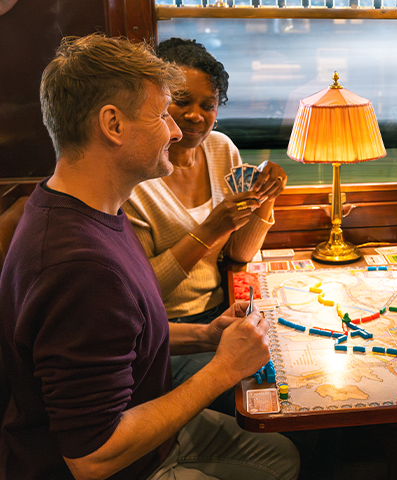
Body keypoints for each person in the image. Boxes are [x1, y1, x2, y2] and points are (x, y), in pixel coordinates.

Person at [0, 33, 298, 480]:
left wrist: (208, 336)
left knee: (281, 456)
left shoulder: (93, 209)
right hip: (125, 466)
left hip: (156, 439)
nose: (179, 129)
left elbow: (126, 334)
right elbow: (92, 457)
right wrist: (223, 370)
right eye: (162, 114)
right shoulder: (80, 269)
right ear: (113, 125)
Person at [123, 38, 288, 415]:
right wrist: (208, 231)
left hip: (220, 311)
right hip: (163, 334)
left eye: (207, 105)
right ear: (158, 101)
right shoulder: (136, 176)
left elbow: (239, 254)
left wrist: (267, 199)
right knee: (270, 390)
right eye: (182, 101)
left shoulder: (221, 149)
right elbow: (140, 294)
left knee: (291, 368)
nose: (196, 116)